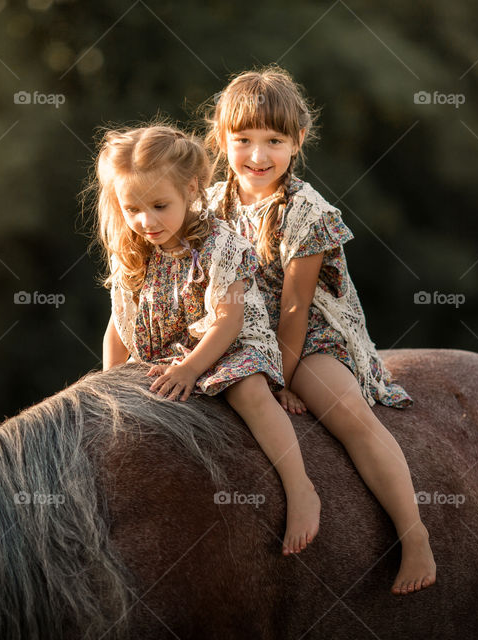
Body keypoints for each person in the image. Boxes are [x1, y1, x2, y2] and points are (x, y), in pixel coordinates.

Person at [204, 67, 436, 594]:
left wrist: (281, 379)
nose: (258, 156)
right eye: (243, 140)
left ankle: (414, 533)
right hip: (236, 328)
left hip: (307, 337)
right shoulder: (210, 205)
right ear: (223, 140)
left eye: (274, 141)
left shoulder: (308, 213)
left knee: (346, 410)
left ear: (297, 142)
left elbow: (295, 309)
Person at [94, 124, 320, 555]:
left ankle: (301, 487)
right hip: (170, 351)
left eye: (160, 205)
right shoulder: (134, 249)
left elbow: (228, 320)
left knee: (249, 390)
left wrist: (192, 368)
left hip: (228, 345)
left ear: (192, 189)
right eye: (132, 209)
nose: (146, 221)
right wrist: (111, 385)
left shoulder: (221, 246)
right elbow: (118, 325)